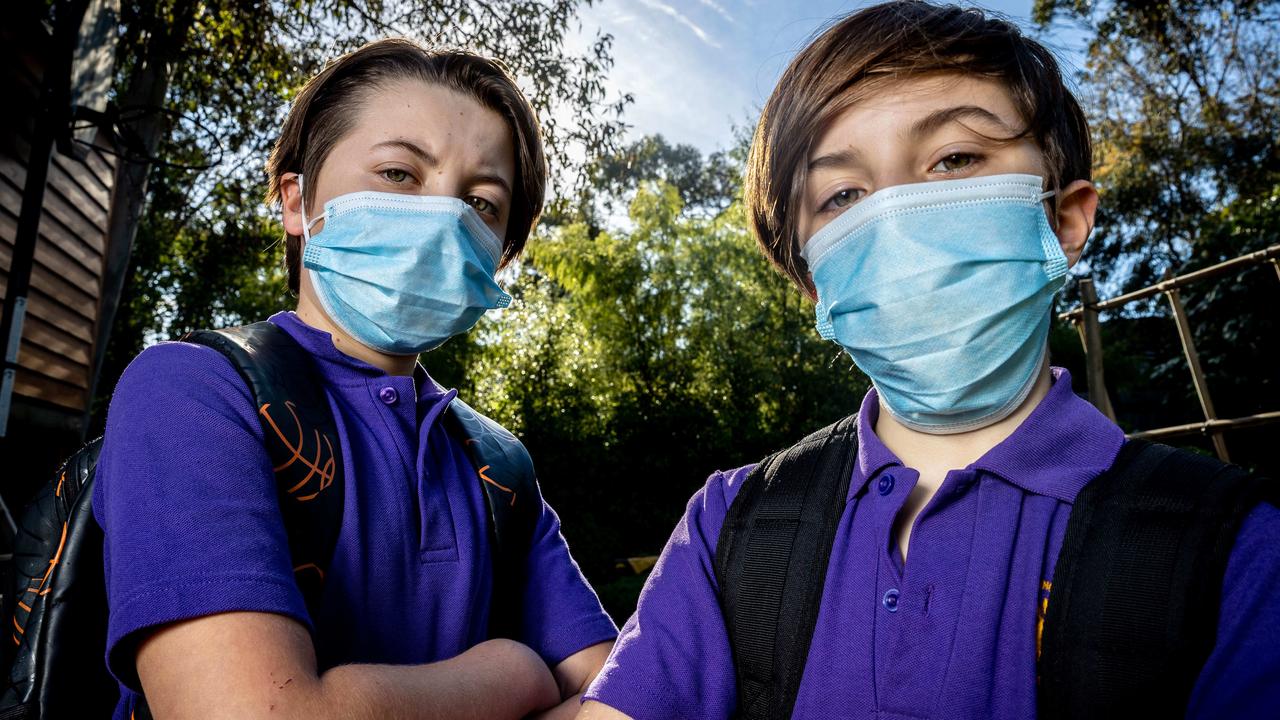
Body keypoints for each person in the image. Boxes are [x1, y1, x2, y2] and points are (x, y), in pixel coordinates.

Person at [578, 2, 1280, 718]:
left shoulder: (1236, 555)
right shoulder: (730, 524)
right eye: (842, 195)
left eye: (955, 158)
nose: (897, 218)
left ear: (1065, 220)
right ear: (816, 282)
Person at [94, 39, 616, 720]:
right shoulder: (193, 391)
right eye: (400, 173)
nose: (443, 218)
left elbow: (623, 698)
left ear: (500, 259)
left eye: (483, 204)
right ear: (295, 201)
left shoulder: (498, 466)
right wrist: (512, 674)